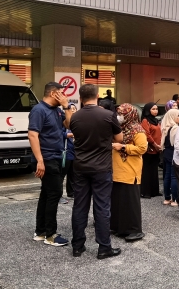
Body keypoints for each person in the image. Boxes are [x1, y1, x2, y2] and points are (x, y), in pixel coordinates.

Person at [69, 83, 123, 259]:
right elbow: (119, 138)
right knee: (102, 207)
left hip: (80, 166)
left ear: (80, 98)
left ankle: (77, 246)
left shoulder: (75, 117)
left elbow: (73, 133)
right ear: (97, 96)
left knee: (79, 206)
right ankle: (104, 247)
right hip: (101, 167)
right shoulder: (108, 115)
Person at [28, 82, 74, 247]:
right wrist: (40, 160)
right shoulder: (39, 110)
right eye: (62, 93)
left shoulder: (57, 110)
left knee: (46, 194)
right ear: (54, 93)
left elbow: (69, 125)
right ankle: (50, 234)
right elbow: (32, 135)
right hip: (46, 158)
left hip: (56, 157)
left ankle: (41, 231)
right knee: (54, 193)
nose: (64, 96)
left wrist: (66, 107)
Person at [110, 103, 147, 242]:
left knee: (130, 203)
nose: (118, 116)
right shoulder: (119, 129)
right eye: (118, 113)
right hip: (117, 171)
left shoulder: (138, 130)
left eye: (121, 113)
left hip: (130, 172)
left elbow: (142, 148)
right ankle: (120, 228)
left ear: (129, 114)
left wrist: (123, 147)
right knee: (119, 202)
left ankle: (134, 230)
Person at [140, 103, 162, 199]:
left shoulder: (156, 121)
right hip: (149, 149)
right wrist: (155, 144)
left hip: (157, 149)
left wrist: (160, 145)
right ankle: (146, 192)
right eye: (153, 109)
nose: (156, 111)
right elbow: (147, 134)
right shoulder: (145, 120)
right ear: (148, 110)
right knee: (147, 170)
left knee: (154, 170)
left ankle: (154, 191)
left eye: (156, 109)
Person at [160, 107, 179, 205]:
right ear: (172, 116)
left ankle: (167, 198)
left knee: (167, 176)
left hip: (166, 152)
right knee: (174, 176)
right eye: (178, 115)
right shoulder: (176, 128)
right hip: (174, 153)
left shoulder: (166, 127)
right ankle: (175, 199)